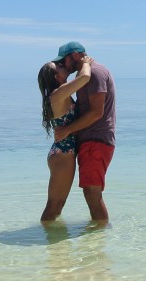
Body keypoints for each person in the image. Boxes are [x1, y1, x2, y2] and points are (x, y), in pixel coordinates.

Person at [51, 41, 116, 223]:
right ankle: (98, 233)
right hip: (91, 140)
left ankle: (99, 234)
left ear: (75, 55)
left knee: (92, 192)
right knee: (90, 191)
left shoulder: (94, 72)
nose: (63, 65)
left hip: (96, 139)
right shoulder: (84, 75)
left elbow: (96, 112)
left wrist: (67, 130)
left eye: (63, 61)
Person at [37, 53, 93, 222]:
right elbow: (85, 77)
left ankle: (52, 236)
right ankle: (46, 234)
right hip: (63, 155)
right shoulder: (58, 94)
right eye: (59, 66)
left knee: (58, 205)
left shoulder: (59, 93)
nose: (62, 65)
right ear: (56, 76)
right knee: (54, 205)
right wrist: (86, 62)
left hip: (62, 153)